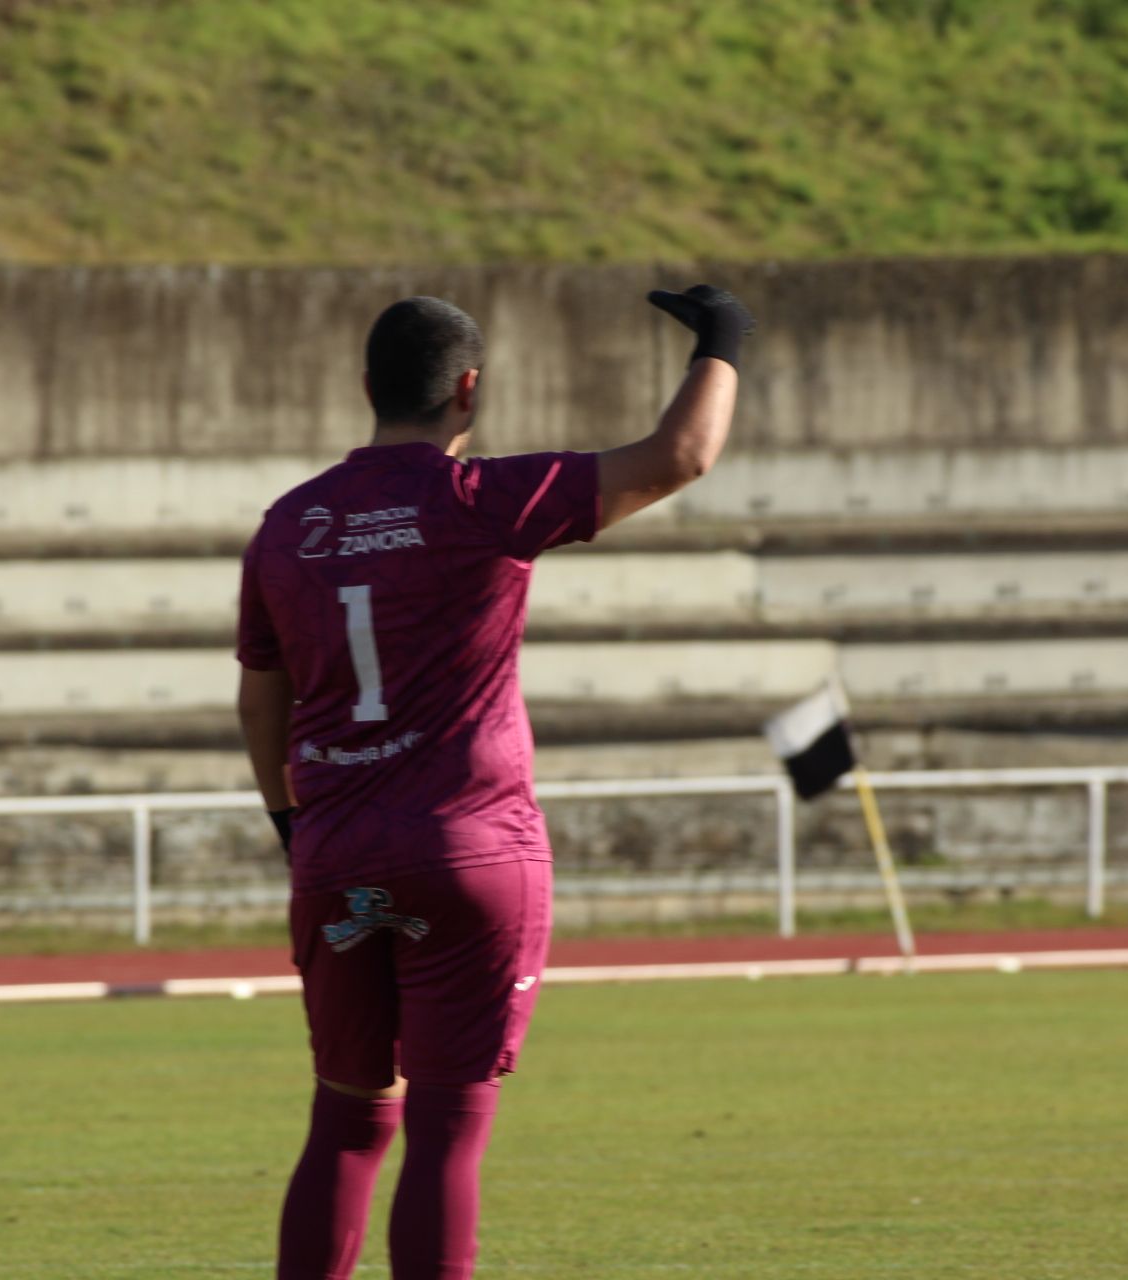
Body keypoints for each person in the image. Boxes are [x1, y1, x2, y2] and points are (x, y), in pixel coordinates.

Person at [236, 284, 753, 1280]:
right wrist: (725, 337)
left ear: (364, 387)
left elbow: (263, 705)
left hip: (338, 854)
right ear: (467, 390)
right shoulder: (482, 500)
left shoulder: (289, 524)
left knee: (345, 1120)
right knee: (444, 1128)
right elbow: (680, 455)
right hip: (468, 853)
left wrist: (291, 824)